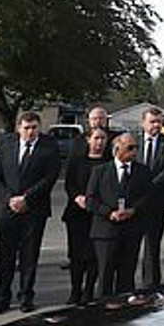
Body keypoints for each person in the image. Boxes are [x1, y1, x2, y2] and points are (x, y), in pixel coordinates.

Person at [0, 111, 62, 315]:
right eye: (27, 128)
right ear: (19, 128)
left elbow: (49, 178)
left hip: (33, 209)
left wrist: (26, 199)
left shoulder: (49, 148)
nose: (30, 132)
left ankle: (26, 296)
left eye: (34, 128)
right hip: (6, 209)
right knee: (5, 256)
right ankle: (2, 297)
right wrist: (10, 198)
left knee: (29, 255)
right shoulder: (6, 145)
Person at [87, 133, 149, 297]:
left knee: (127, 277)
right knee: (105, 275)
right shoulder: (100, 171)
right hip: (106, 232)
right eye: (130, 148)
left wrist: (133, 210)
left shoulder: (142, 171)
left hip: (131, 231)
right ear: (117, 149)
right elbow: (91, 200)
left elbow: (148, 197)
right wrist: (109, 213)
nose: (134, 152)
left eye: (136, 148)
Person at [61, 127, 112, 304]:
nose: (100, 142)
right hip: (77, 213)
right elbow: (69, 183)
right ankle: (75, 290)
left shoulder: (109, 163)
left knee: (94, 256)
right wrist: (78, 197)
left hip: (99, 215)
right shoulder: (77, 161)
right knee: (76, 255)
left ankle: (89, 290)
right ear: (88, 140)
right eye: (96, 138)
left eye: (103, 139)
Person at [133, 107, 164, 287]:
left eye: (158, 122)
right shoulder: (133, 142)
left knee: (152, 246)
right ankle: (126, 285)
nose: (156, 125)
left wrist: (151, 184)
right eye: (152, 122)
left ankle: (151, 284)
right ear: (143, 122)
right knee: (130, 245)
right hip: (134, 201)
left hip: (156, 201)